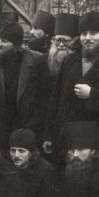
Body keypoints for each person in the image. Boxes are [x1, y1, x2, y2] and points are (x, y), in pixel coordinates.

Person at [43, 11, 99, 161]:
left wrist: (93, 94)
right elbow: (56, 100)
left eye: (93, 33)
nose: (88, 38)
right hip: (68, 138)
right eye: (84, 33)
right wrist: (49, 135)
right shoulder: (69, 61)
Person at [39, 13, 79, 159]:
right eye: (57, 40)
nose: (61, 45)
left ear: (74, 42)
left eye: (65, 41)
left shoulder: (79, 63)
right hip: (44, 122)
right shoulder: (42, 61)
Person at [0, 22, 43, 134]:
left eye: (4, 41)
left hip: (26, 124)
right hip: (1, 122)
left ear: (16, 45)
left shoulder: (37, 59)